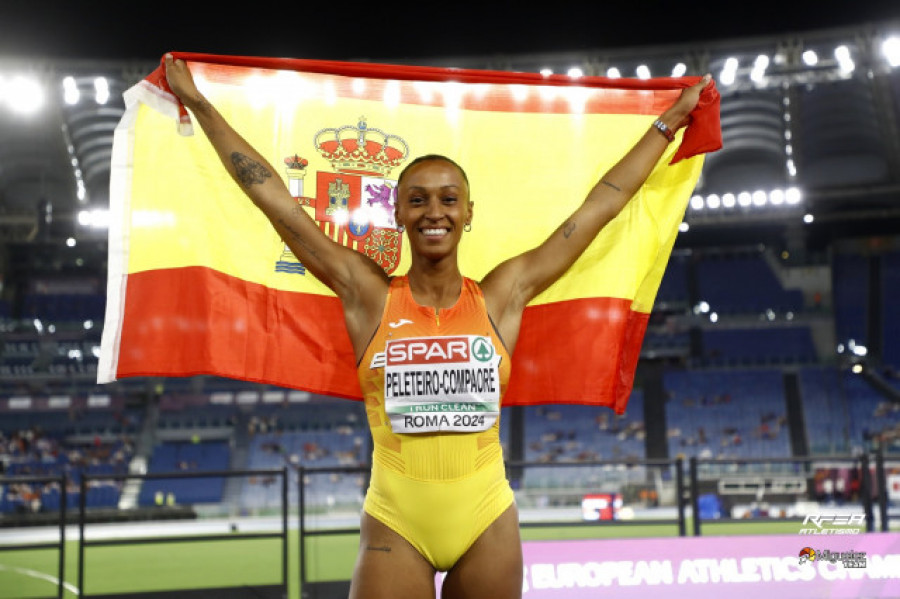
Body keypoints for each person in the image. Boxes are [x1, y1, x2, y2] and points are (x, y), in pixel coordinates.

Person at [164, 53, 710, 599]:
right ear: (396, 212)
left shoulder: (503, 294)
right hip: (396, 523)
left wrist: (668, 124)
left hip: (486, 519)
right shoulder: (368, 294)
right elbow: (278, 204)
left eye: (450, 200)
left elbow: (600, 207)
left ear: (469, 213)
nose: (435, 212)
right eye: (418, 200)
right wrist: (199, 104)